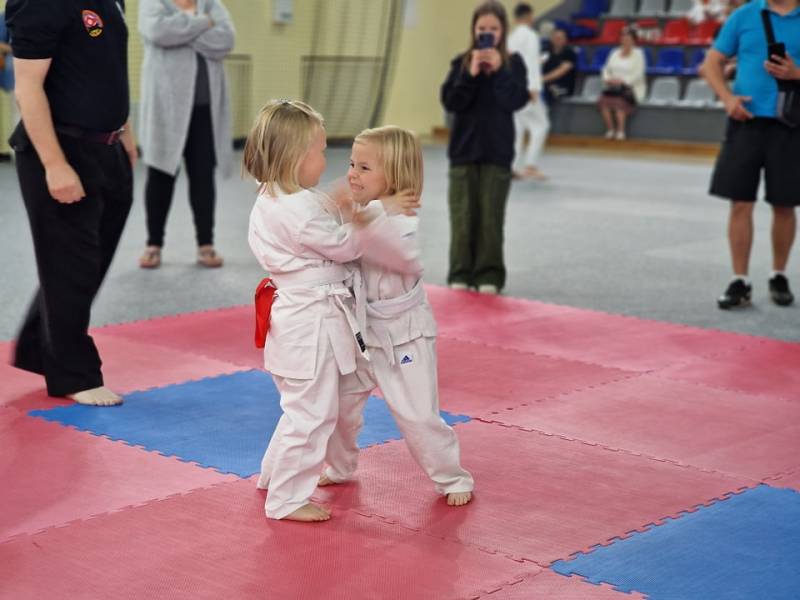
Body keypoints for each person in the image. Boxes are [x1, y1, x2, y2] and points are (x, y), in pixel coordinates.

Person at [244, 100, 420, 522]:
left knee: (300, 408)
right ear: (296, 156)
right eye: (320, 151)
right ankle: (286, 499)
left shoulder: (275, 196)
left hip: (298, 318)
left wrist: (343, 203)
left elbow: (321, 218)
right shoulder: (297, 209)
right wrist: (378, 213)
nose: (326, 161)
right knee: (312, 413)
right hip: (310, 323)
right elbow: (343, 246)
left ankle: (274, 477)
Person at [319, 126, 475, 508]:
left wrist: (365, 219)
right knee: (338, 406)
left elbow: (405, 260)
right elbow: (329, 226)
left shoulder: (401, 220)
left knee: (417, 415)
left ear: (395, 176)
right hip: (362, 332)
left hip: (405, 336)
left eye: (364, 168)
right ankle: (339, 465)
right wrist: (348, 208)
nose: (352, 174)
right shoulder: (367, 212)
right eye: (351, 164)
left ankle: (452, 476)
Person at [6, 0, 137, 406]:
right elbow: (27, 88)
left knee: (83, 262)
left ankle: (36, 349)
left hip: (108, 147)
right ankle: (74, 374)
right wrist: (54, 164)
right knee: (71, 264)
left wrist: (125, 132)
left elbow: (108, 70)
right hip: (63, 147)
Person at [701, 0, 800, 309]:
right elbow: (711, 63)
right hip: (745, 122)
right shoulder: (744, 15)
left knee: (784, 204)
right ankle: (739, 280)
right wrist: (727, 98)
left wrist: (797, 73)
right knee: (740, 202)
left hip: (791, 124)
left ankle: (778, 274)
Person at [137, 0, 235, 269]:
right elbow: (157, 32)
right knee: (160, 174)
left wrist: (181, 32)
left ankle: (206, 244)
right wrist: (204, 24)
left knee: (203, 176)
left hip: (204, 109)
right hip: (166, 108)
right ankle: (153, 244)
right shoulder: (153, 3)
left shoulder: (210, 3)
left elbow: (226, 39)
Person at [440, 1, 529, 295]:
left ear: (503, 31)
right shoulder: (461, 62)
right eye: (482, 28)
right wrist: (470, 73)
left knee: (491, 218)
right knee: (462, 217)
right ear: (473, 30)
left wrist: (500, 70)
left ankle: (489, 273)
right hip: (463, 152)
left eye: (493, 28)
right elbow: (451, 102)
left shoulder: (514, 63)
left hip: (497, 152)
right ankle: (460, 271)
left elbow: (515, 101)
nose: (487, 33)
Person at [508, 3, 550, 181]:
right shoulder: (531, 35)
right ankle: (530, 165)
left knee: (518, 128)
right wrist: (534, 87)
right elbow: (531, 62)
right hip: (528, 87)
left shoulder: (511, 37)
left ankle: (510, 165)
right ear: (529, 16)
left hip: (513, 87)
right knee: (541, 125)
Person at [597, 27, 646, 141]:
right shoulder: (614, 52)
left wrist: (623, 81)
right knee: (603, 102)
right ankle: (610, 130)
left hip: (630, 87)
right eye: (623, 38)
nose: (625, 41)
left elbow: (639, 74)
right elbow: (606, 69)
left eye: (628, 39)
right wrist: (608, 79)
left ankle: (621, 131)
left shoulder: (639, 54)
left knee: (619, 102)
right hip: (613, 87)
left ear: (634, 41)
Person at [542, 28, 578, 103]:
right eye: (555, 37)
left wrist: (540, 80)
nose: (557, 40)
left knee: (546, 91)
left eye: (560, 38)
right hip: (546, 84)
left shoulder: (569, 53)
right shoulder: (545, 51)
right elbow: (537, 65)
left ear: (565, 40)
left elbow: (560, 71)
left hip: (564, 87)